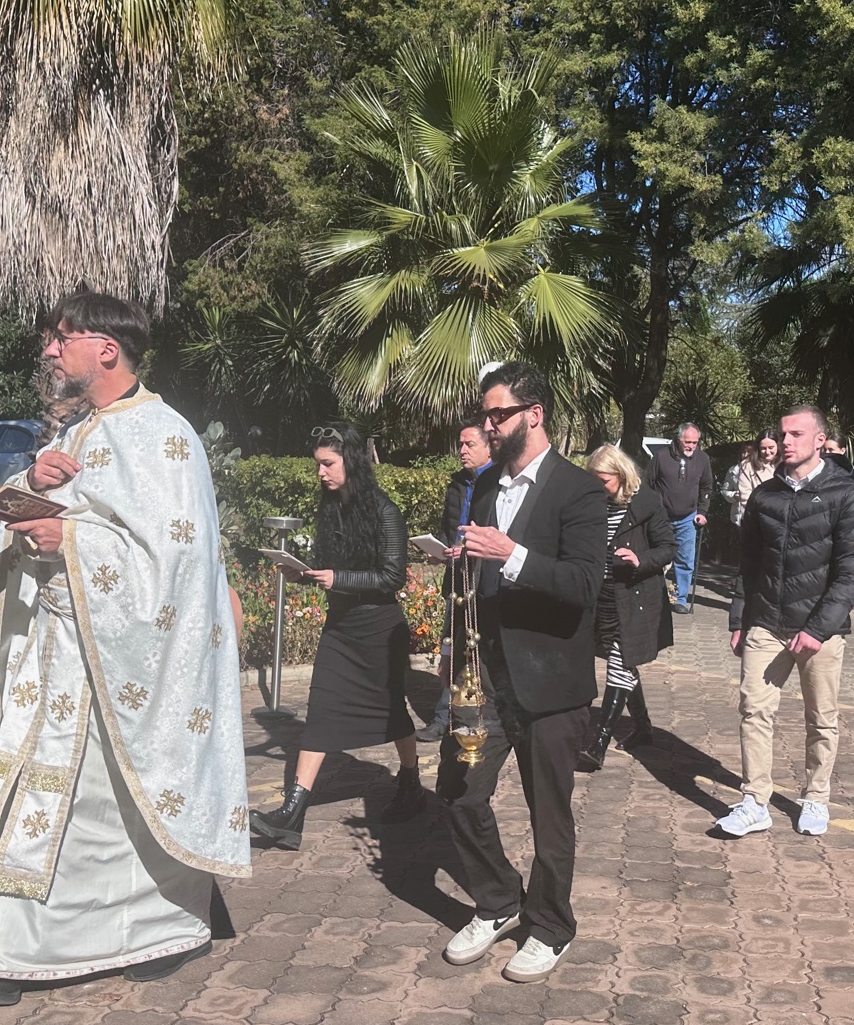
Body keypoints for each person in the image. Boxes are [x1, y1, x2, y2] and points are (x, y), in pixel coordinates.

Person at [0, 290, 250, 1008]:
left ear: (107, 349)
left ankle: (30, 956)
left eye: (62, 337)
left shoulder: (165, 436)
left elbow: (176, 566)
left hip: (121, 665)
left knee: (98, 806)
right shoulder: (76, 435)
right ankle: (118, 937)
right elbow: (23, 526)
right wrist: (30, 485)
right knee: (64, 806)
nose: (50, 350)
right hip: (62, 656)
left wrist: (73, 541)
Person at [438, 361, 606, 983]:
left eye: (500, 413)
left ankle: (552, 925)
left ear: (534, 415)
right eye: (486, 414)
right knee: (458, 794)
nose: (489, 423)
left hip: (551, 680)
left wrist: (513, 555)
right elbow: (477, 578)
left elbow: (585, 584)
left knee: (548, 814)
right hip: (486, 677)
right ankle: (499, 900)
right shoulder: (482, 488)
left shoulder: (579, 490)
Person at [252, 424, 422, 848]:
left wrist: (337, 577)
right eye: (318, 465)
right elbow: (330, 568)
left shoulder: (385, 511)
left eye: (328, 464)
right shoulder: (332, 509)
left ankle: (411, 783)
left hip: (380, 629)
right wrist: (305, 572)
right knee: (321, 712)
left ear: (351, 461)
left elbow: (392, 577)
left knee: (392, 711)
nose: (321, 473)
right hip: (341, 629)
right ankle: (292, 814)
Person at [718, 404, 854, 840]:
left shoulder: (848, 496)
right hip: (766, 622)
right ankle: (754, 801)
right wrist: (739, 617)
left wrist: (819, 628)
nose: (786, 442)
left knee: (821, 718)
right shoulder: (766, 496)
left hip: (819, 630)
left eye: (796, 435)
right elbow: (747, 562)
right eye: (783, 434)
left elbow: (853, 572)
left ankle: (816, 798)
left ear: (820, 440)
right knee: (754, 708)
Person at [578, 444, 674, 772]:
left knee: (619, 663)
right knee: (624, 663)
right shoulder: (593, 503)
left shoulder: (647, 503)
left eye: (602, 479)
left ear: (621, 475)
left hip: (635, 598)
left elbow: (667, 547)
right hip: (600, 596)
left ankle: (598, 743)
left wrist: (640, 560)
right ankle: (644, 727)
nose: (597, 485)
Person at [418, 419, 494, 743]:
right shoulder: (456, 484)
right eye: (460, 445)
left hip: (484, 581)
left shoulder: (499, 483)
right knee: (448, 648)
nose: (461, 451)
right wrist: (441, 550)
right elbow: (449, 528)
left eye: (469, 445)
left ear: (488, 446)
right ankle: (442, 716)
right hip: (456, 578)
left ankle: (479, 715)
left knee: (478, 652)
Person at [648, 422, 713, 614]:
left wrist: (702, 511)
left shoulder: (702, 459)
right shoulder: (661, 456)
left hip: (688, 518)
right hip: (662, 516)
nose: (691, 446)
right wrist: (652, 509)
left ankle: (680, 599)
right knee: (657, 556)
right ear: (679, 439)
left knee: (685, 559)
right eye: (688, 442)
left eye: (695, 442)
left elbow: (707, 487)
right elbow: (648, 483)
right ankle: (654, 595)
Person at [721, 435, 777, 529]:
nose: (746, 455)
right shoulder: (733, 470)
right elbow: (724, 490)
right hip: (738, 518)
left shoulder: (767, 468)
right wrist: (733, 495)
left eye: (749, 452)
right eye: (744, 452)